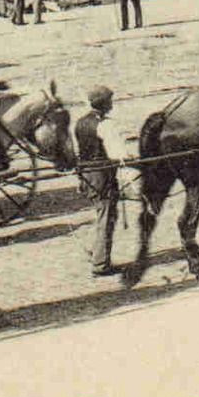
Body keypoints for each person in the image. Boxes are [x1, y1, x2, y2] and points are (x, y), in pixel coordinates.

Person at [78, 85, 121, 277]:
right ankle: (101, 263)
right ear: (104, 104)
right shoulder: (105, 124)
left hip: (86, 173)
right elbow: (117, 153)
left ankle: (94, 249)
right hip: (102, 175)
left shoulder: (80, 122)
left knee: (101, 212)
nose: (112, 104)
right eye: (110, 100)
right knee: (107, 215)